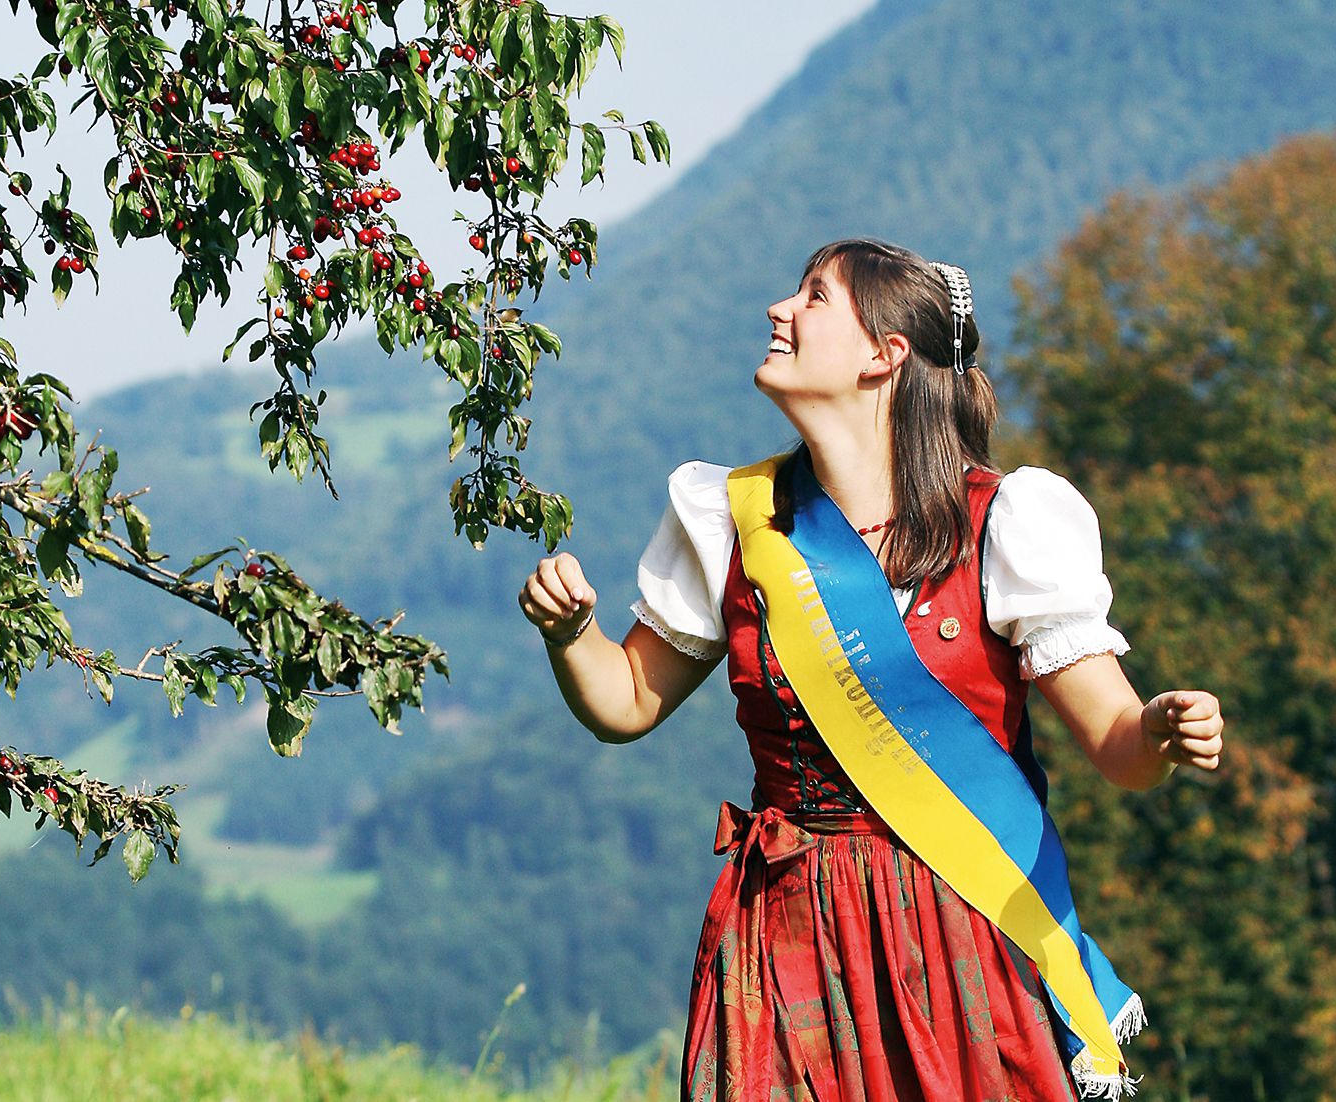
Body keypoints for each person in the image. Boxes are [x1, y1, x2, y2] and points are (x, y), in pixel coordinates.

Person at [518, 238, 1225, 1101]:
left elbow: (1119, 747)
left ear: (884, 356)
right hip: (787, 933)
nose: (779, 309)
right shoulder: (732, 519)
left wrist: (1159, 729)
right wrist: (571, 635)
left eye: (813, 297)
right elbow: (625, 702)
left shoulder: (1002, 523)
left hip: (960, 927)